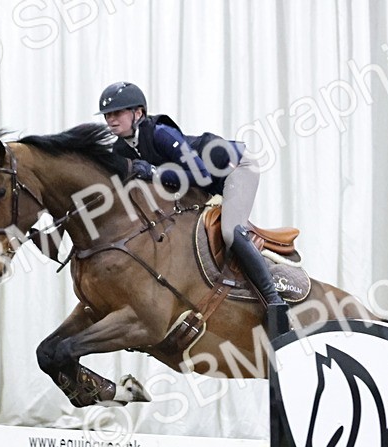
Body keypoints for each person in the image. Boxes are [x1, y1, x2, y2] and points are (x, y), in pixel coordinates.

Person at [97, 81, 283, 307]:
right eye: (107, 115)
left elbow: (201, 175)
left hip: (235, 168)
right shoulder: (120, 149)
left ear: (138, 112)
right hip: (202, 186)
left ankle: (274, 300)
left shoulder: (161, 133)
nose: (111, 120)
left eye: (117, 113)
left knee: (229, 231)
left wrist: (154, 172)